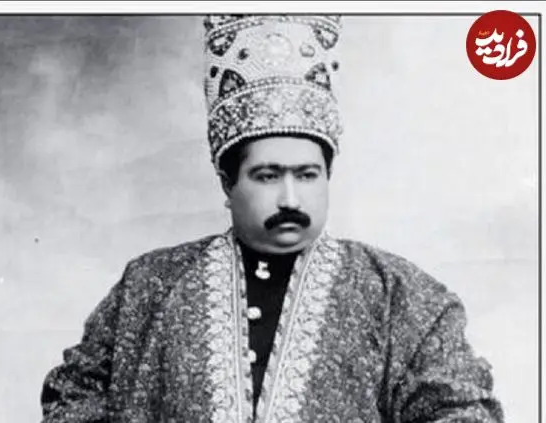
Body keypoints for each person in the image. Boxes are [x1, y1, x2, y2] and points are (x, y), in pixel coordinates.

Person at [40, 15, 504, 422]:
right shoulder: (149, 288)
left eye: (307, 175)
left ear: (327, 176)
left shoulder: (400, 297)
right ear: (227, 183)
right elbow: (73, 397)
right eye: (267, 176)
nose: (290, 197)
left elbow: (464, 411)